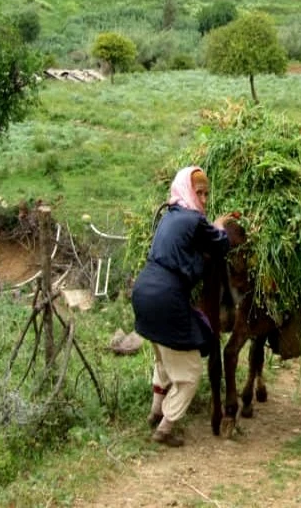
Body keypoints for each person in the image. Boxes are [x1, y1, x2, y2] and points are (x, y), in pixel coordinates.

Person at [131, 166, 234, 447]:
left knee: (164, 356)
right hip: (165, 297)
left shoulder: (170, 216)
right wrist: (220, 225)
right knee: (189, 374)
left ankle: (155, 411)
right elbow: (221, 245)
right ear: (187, 191)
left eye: (206, 194)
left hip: (143, 291)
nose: (203, 199)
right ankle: (165, 427)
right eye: (198, 193)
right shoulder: (195, 221)